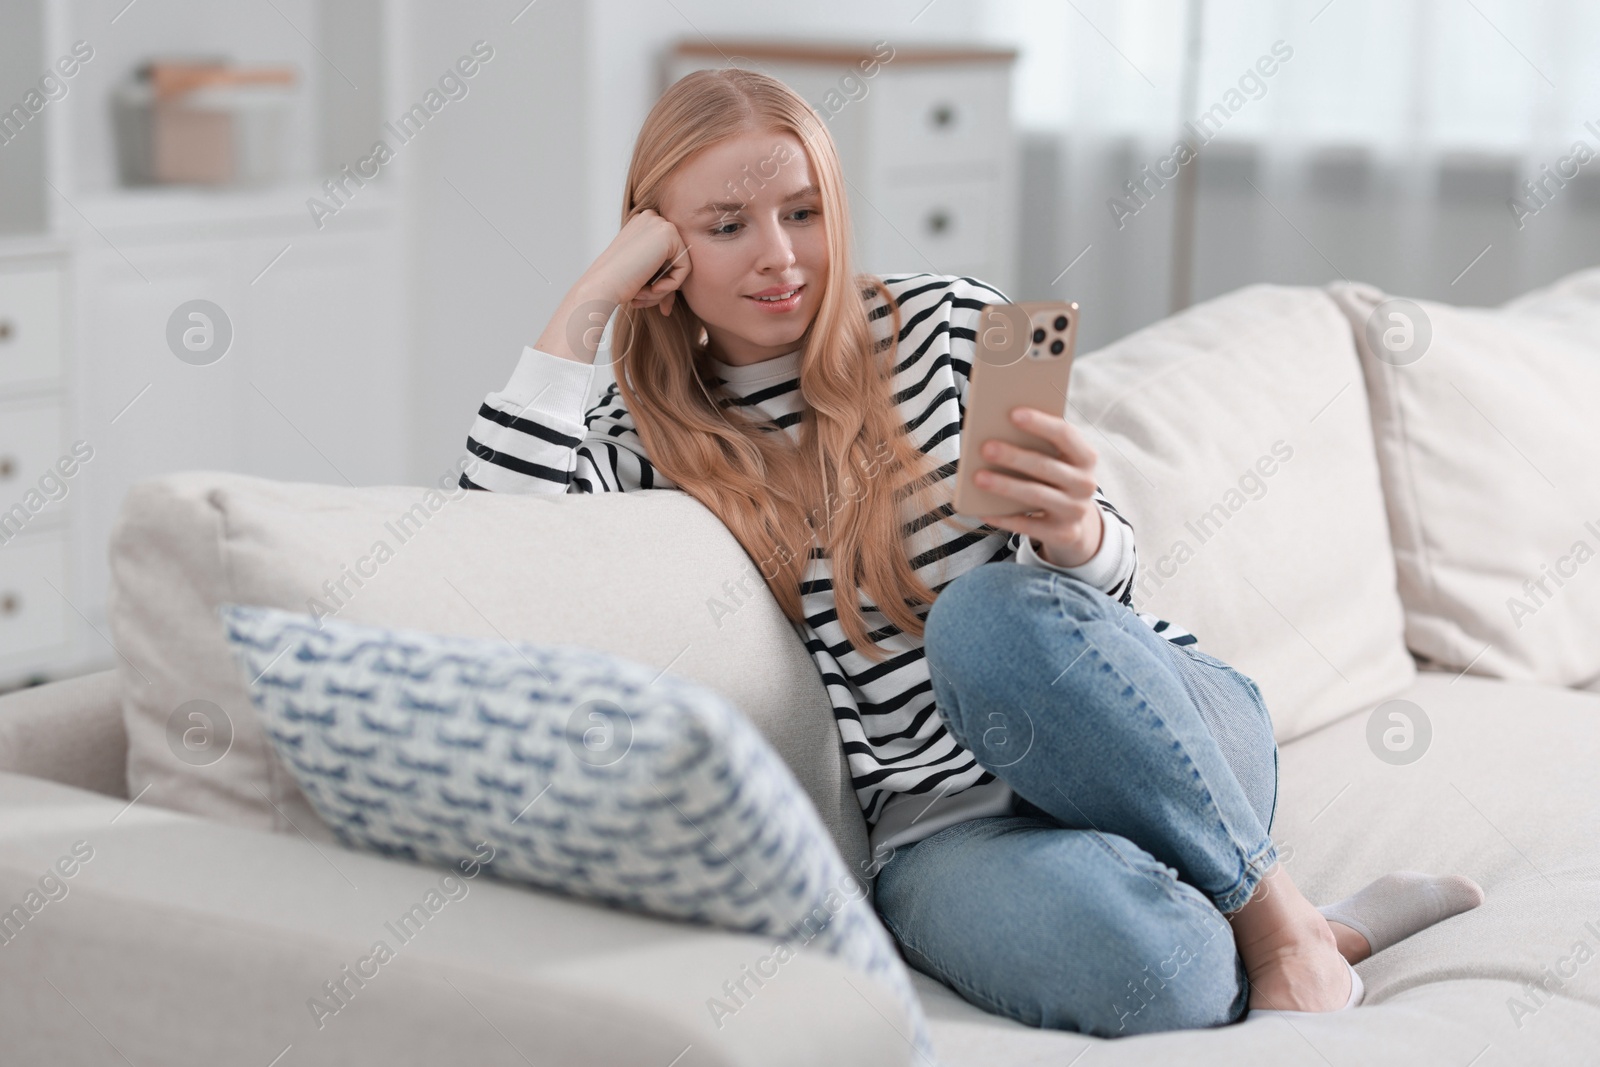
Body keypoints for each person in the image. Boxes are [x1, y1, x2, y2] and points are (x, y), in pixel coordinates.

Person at [458, 67, 1482, 1036]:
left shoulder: (954, 320)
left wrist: (1078, 532)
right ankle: (1313, 931)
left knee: (988, 616)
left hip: (1159, 735)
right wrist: (588, 299)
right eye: (726, 226)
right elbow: (493, 540)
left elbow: (1097, 605)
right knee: (1158, 976)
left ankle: (1278, 918)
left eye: (802, 212)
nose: (778, 256)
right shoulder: (637, 444)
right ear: (662, 251)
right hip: (946, 825)